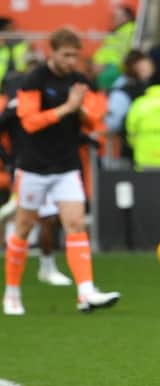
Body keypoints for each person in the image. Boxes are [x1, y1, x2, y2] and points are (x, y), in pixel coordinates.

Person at [3, 28, 121, 315]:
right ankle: (12, 294)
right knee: (24, 227)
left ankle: (86, 292)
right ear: (52, 52)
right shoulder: (34, 80)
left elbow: (94, 122)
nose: (71, 61)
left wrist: (79, 110)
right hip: (34, 166)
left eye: (75, 56)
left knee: (75, 224)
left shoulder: (79, 81)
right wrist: (69, 107)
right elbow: (29, 122)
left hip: (66, 165)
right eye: (66, 55)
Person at [0, 57, 73, 286]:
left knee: (47, 218)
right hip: (26, 167)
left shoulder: (49, 103)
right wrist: (8, 159)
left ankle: (47, 265)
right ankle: (20, 276)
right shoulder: (16, 105)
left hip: (48, 166)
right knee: (24, 219)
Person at [106, 49, 153, 164]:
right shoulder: (123, 90)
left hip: (148, 151)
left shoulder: (149, 87)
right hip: (129, 153)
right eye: (144, 66)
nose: (149, 69)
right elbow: (112, 123)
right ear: (135, 67)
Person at [92, 5, 136, 90]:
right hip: (105, 68)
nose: (113, 19)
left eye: (116, 17)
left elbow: (124, 52)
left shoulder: (131, 30)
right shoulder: (116, 32)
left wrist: (103, 64)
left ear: (127, 17)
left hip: (115, 68)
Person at [0, 17, 29, 89]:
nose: (13, 30)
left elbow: (24, 65)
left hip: (14, 83)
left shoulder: (20, 44)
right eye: (10, 27)